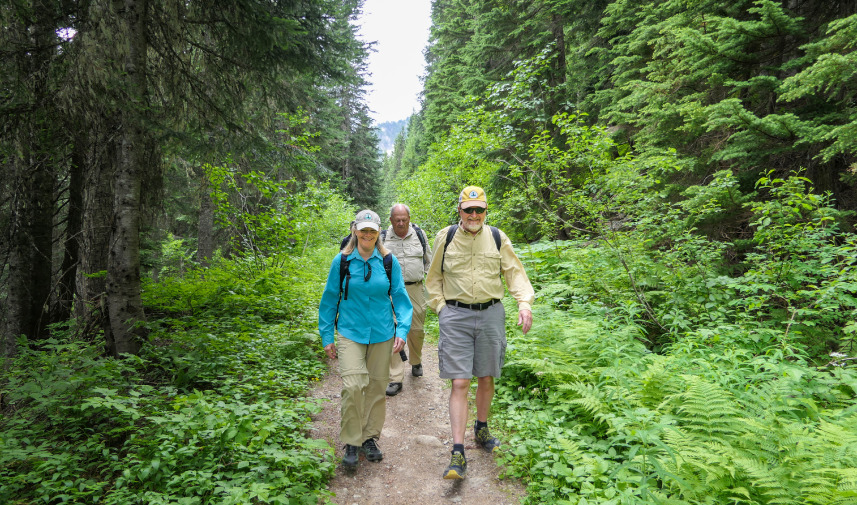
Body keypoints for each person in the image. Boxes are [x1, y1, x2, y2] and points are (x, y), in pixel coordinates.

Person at [425, 186, 534, 480]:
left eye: (479, 210)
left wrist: (524, 304)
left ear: (486, 211)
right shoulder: (444, 237)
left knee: (486, 376)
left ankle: (481, 428)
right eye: (468, 209)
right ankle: (458, 451)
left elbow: (514, 273)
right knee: (460, 382)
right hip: (456, 315)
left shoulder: (498, 238)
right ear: (459, 210)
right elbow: (433, 278)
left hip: (491, 314)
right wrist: (441, 308)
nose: (474, 215)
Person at [318, 209, 413, 471]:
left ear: (378, 232)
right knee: (353, 384)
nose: (367, 235)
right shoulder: (343, 261)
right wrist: (327, 335)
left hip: (382, 333)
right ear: (355, 231)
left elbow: (402, 300)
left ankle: (370, 437)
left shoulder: (388, 261)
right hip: (350, 331)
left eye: (372, 230)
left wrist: (402, 332)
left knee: (376, 387)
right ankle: (352, 441)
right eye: (363, 230)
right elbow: (329, 300)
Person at [382, 204, 432, 396]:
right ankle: (395, 377)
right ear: (391, 220)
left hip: (415, 288)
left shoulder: (419, 234)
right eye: (397, 220)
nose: (401, 223)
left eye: (404, 219)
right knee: (391, 330)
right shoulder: (383, 237)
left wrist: (422, 276)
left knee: (416, 329)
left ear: (409, 218)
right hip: (390, 291)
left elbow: (429, 260)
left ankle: (416, 360)